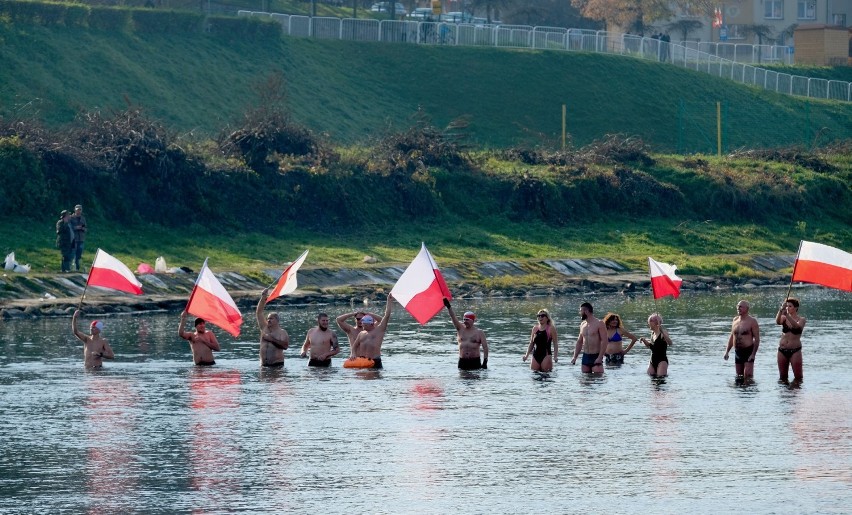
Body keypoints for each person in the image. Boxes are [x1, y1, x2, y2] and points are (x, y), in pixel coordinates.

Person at [348, 293, 393, 369]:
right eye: (362, 324)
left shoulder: (379, 331)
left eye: (364, 324)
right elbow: (354, 346)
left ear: (371, 324)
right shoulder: (361, 334)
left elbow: (387, 315)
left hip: (375, 362)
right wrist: (353, 354)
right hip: (362, 362)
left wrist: (389, 301)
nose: (362, 325)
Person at [443, 298, 489, 370]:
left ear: (473, 321)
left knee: (475, 379)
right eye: (464, 319)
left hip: (475, 361)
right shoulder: (460, 329)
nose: (465, 321)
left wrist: (485, 362)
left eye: (467, 320)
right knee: (462, 380)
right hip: (462, 361)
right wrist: (449, 307)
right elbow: (453, 317)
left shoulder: (479, 332)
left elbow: (485, 348)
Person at [723, 300, 760, 378]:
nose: (738, 308)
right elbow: (732, 336)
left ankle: (750, 390)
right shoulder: (735, 320)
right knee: (739, 377)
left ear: (747, 309)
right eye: (737, 306)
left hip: (748, 351)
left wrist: (753, 354)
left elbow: (757, 339)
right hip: (738, 352)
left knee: (748, 377)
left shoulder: (752, 321)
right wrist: (727, 352)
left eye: (740, 306)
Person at [256, 288, 289, 367]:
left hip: (277, 364)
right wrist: (263, 297)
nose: (268, 320)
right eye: (268, 318)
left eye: (271, 318)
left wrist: (272, 339)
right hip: (263, 365)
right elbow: (259, 312)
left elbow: (285, 346)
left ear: (277, 320)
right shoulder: (264, 328)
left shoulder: (282, 332)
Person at [776, 298, 806, 382]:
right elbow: (778, 322)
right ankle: (784, 394)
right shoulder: (784, 318)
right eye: (787, 306)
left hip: (795, 350)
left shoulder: (802, 319)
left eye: (790, 306)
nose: (788, 308)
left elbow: (796, 327)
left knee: (798, 377)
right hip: (782, 350)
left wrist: (787, 316)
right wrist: (780, 310)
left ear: (796, 308)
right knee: (783, 377)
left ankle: (795, 394)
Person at [571, 302, 606, 373]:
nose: (580, 313)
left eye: (581, 311)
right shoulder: (582, 324)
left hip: (596, 355)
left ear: (586, 311)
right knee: (585, 380)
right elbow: (579, 342)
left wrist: (600, 357)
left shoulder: (599, 323)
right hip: (585, 356)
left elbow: (605, 341)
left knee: (598, 380)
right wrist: (575, 357)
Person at [640, 313, 672, 377]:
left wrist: (662, 332)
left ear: (655, 323)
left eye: (650, 322)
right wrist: (644, 340)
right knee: (650, 377)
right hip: (652, 360)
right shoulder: (652, 333)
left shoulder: (663, 332)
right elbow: (650, 346)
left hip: (661, 360)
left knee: (660, 379)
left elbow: (670, 343)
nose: (648, 324)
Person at [70, 204, 87, 272]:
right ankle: (72, 267)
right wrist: (76, 228)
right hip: (74, 239)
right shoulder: (71, 218)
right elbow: (69, 227)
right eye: (77, 210)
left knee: (79, 254)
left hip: (81, 239)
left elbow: (86, 228)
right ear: (75, 210)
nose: (79, 211)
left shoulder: (83, 218)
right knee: (73, 253)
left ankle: (77, 267)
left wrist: (83, 229)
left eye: (80, 210)